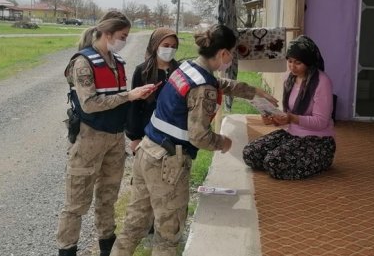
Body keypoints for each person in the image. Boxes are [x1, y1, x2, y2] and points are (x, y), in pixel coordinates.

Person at [111, 24, 277, 256]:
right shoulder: (202, 85)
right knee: (168, 235)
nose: (231, 60)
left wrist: (253, 92)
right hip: (167, 164)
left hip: (147, 151)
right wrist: (224, 142)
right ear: (223, 54)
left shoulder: (186, 68)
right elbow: (200, 136)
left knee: (134, 224)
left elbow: (220, 84)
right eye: (231, 54)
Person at [57, 11, 156, 256]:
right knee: (76, 203)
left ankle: (106, 247)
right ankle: (67, 249)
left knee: (108, 198)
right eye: (122, 36)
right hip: (89, 138)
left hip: (114, 138)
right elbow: (89, 103)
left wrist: (137, 98)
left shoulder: (118, 62)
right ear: (107, 33)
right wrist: (129, 95)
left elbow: (119, 100)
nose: (125, 40)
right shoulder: (83, 62)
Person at [242, 35, 336, 180]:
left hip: (318, 140)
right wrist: (273, 118)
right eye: (290, 61)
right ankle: (292, 161)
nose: (292, 66)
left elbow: (321, 122)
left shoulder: (322, 82)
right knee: (250, 153)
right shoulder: (289, 78)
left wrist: (291, 118)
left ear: (309, 62)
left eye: (298, 63)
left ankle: (320, 160)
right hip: (291, 134)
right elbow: (288, 114)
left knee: (273, 162)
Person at [126, 27, 180, 153]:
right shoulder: (143, 71)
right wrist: (135, 137)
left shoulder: (179, 71)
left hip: (173, 133)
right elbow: (135, 105)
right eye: (166, 45)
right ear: (155, 45)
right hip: (147, 133)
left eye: (173, 46)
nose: (170, 49)